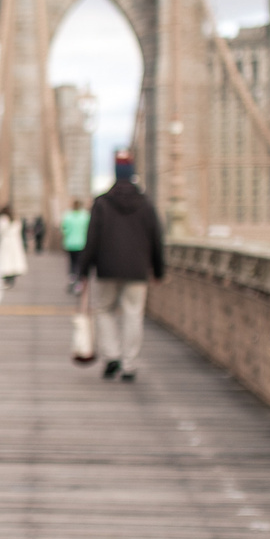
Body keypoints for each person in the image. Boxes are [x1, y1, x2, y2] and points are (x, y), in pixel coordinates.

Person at [82, 151, 166, 382]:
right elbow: (156, 239)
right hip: (137, 270)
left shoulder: (102, 203)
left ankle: (112, 356)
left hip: (106, 268)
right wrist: (158, 270)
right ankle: (129, 364)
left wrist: (82, 270)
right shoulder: (146, 203)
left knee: (104, 310)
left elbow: (92, 239)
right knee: (133, 314)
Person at [60, 195, 91, 294]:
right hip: (82, 243)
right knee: (80, 263)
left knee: (72, 262)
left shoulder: (67, 215)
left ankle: (72, 278)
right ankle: (78, 283)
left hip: (70, 243)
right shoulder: (85, 216)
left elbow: (64, 229)